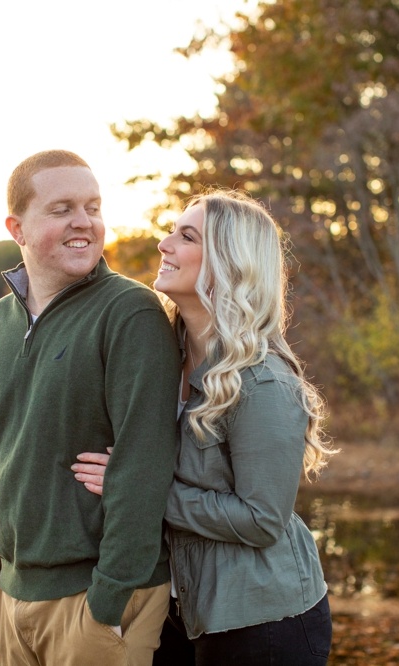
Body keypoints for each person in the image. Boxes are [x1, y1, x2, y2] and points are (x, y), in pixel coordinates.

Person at [72, 189, 337, 665]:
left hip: (262, 619)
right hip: (177, 609)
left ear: (227, 262)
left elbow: (262, 519)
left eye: (186, 236)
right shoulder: (161, 355)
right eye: (172, 231)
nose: (163, 244)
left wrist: (134, 490)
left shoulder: (262, 381)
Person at [0, 149, 181, 666]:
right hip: (10, 599)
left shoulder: (128, 312)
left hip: (99, 599)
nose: (84, 222)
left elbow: (145, 464)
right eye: (62, 209)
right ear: (17, 227)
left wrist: (107, 601)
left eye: (93, 206)